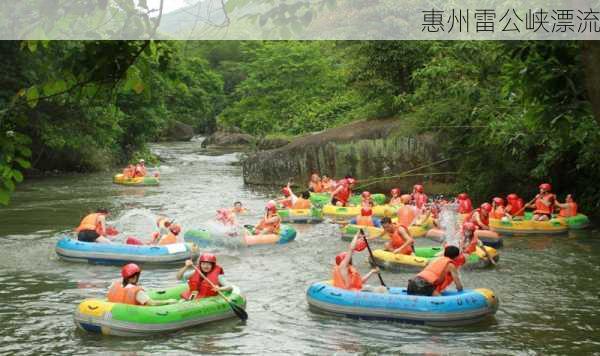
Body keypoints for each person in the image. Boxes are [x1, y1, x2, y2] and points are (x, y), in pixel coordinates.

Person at [107, 263, 177, 306]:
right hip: (132, 316)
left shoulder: (114, 285)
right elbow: (152, 303)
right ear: (135, 277)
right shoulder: (138, 292)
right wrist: (168, 301)